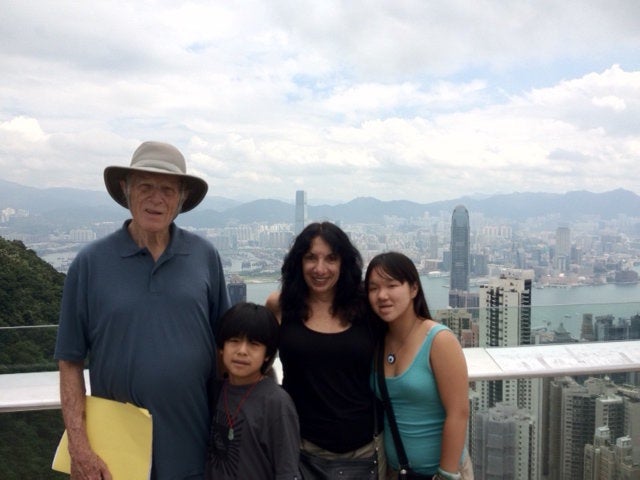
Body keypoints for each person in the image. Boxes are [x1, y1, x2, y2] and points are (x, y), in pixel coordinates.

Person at [55, 141, 231, 480]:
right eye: (145, 187)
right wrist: (79, 447)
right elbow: (70, 361)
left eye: (167, 189)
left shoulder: (205, 257)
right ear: (126, 190)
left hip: (194, 449)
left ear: (181, 199)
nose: (156, 198)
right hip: (116, 456)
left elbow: (227, 348)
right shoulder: (90, 263)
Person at [266, 221, 386, 478]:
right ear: (298, 262)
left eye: (331, 258)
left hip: (364, 451)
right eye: (311, 258)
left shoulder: (367, 306)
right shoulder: (281, 305)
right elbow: (259, 361)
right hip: (299, 448)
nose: (320, 269)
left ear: (344, 263)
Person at [365, 252, 471, 480]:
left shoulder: (439, 340)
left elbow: (459, 413)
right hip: (397, 473)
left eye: (392, 285)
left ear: (413, 289)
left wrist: (446, 474)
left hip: (441, 474)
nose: (382, 295)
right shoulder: (377, 342)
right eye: (373, 288)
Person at [205, 302, 301, 479]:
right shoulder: (214, 391)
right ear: (221, 348)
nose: (242, 351)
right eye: (234, 341)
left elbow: (287, 471)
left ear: (267, 354)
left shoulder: (276, 403)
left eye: (254, 344)